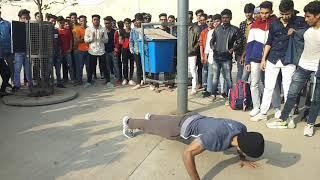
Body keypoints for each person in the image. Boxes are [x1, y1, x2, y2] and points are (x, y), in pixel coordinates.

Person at [122, 112, 265, 180]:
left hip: (196, 117)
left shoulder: (241, 128)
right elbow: (187, 154)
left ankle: (152, 117)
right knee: (154, 128)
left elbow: (241, 143)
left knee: (170, 120)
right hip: (180, 128)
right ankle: (129, 122)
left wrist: (242, 158)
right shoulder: (214, 138)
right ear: (240, 147)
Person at [266, 1, 319, 135]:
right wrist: (294, 32)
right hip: (303, 66)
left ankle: (310, 124)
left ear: (318, 15)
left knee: (316, 98)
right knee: (291, 93)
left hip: (318, 69)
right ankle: (283, 119)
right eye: (305, 16)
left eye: (308, 16)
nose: (305, 19)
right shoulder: (306, 29)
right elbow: (296, 33)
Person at [252, 0, 309, 123]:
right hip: (272, 58)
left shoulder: (300, 21)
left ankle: (288, 116)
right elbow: (269, 42)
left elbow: (309, 32)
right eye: (282, 14)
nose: (284, 17)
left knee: (288, 88)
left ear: (292, 11)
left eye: (287, 14)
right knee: (268, 87)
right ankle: (263, 112)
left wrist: (296, 31)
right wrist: (263, 59)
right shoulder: (274, 23)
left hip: (289, 59)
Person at [245, 1, 281, 118]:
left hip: (271, 58)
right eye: (261, 13)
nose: (263, 15)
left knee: (273, 84)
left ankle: (277, 107)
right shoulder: (255, 24)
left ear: (271, 12)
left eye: (266, 13)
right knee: (254, 83)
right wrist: (247, 61)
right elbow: (249, 44)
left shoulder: (276, 23)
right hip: (255, 58)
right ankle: (256, 106)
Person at [210, 9, 241, 104]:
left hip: (227, 58)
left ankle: (230, 96)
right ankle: (213, 94)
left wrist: (232, 49)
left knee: (228, 77)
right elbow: (211, 41)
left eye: (227, 18)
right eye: (223, 18)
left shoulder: (235, 29)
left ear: (230, 18)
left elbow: (240, 42)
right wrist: (213, 48)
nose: (225, 20)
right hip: (216, 57)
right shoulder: (217, 29)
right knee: (215, 77)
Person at [84, 14, 111, 88]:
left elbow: (106, 40)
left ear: (99, 20)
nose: (96, 21)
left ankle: (108, 81)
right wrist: (91, 38)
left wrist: (102, 38)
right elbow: (86, 40)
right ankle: (89, 81)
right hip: (92, 51)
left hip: (101, 51)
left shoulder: (103, 29)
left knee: (104, 67)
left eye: (97, 20)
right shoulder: (88, 29)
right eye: (94, 20)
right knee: (91, 67)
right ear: (92, 21)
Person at [13, 9, 32, 92]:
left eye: (27, 17)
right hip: (18, 51)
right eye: (24, 18)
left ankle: (30, 84)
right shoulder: (15, 25)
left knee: (28, 69)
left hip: (28, 51)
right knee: (17, 69)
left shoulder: (30, 25)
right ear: (20, 17)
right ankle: (17, 85)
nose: (25, 19)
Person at [202, 14, 222, 98]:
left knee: (221, 75)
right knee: (210, 74)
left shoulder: (224, 31)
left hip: (221, 56)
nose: (215, 23)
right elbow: (207, 45)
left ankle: (223, 92)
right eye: (214, 21)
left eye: (217, 21)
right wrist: (205, 56)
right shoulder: (210, 32)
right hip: (211, 56)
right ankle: (210, 91)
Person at [237, 3, 255, 82]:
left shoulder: (256, 23)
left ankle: (247, 92)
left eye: (249, 12)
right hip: (241, 51)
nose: (247, 14)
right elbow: (239, 38)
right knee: (240, 73)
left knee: (249, 74)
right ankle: (239, 92)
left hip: (251, 51)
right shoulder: (242, 24)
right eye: (246, 12)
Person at [104, 16, 121, 85]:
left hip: (113, 51)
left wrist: (116, 50)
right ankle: (107, 80)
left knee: (116, 66)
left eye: (108, 23)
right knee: (106, 66)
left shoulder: (115, 32)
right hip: (105, 51)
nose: (106, 25)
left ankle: (118, 79)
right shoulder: (103, 31)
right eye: (105, 23)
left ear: (111, 23)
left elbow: (117, 42)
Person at [73, 15, 89, 85]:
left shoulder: (89, 29)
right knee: (79, 66)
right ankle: (79, 80)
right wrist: (85, 39)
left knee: (89, 66)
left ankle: (89, 79)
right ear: (79, 22)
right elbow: (77, 41)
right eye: (82, 21)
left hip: (89, 50)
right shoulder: (76, 29)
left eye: (85, 21)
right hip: (80, 50)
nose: (83, 22)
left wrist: (83, 39)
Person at [130, 13, 144, 90]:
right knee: (138, 67)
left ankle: (148, 81)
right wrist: (131, 49)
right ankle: (139, 82)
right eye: (137, 20)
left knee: (146, 67)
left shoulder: (146, 28)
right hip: (136, 51)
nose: (139, 22)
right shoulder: (133, 30)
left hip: (145, 50)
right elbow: (131, 40)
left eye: (140, 20)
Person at [188, 11, 200, 95]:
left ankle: (193, 88)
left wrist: (193, 49)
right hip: (182, 53)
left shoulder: (196, 28)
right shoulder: (182, 27)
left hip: (192, 53)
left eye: (190, 17)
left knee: (193, 70)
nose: (188, 19)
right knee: (184, 70)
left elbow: (199, 41)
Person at [120, 18, 135, 86]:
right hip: (124, 49)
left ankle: (131, 78)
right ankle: (125, 78)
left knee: (132, 64)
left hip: (132, 49)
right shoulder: (122, 31)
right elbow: (120, 41)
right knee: (125, 64)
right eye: (126, 23)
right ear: (124, 24)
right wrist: (124, 41)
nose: (127, 24)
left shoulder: (133, 30)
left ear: (130, 23)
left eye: (128, 23)